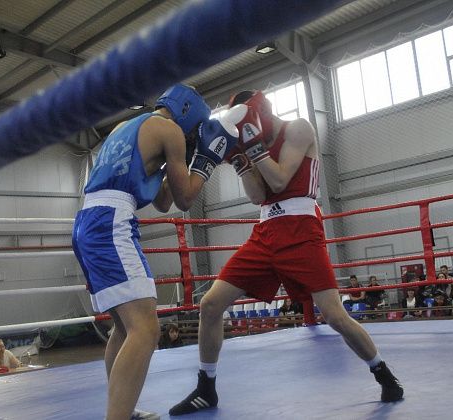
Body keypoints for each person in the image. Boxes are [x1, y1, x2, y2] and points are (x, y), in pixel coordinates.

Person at [169, 90, 403, 416]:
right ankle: (206, 387)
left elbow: (280, 181)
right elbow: (258, 195)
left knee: (334, 314)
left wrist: (253, 148)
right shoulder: (252, 142)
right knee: (210, 304)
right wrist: (239, 160)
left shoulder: (299, 128)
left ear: (262, 111)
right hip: (265, 233)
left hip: (302, 231)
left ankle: (382, 372)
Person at [71, 84, 238, 420]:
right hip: (111, 222)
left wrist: (180, 162)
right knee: (146, 330)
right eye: (194, 130)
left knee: (124, 327)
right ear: (189, 114)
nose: (192, 136)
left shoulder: (128, 127)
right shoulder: (170, 131)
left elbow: (163, 202)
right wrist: (205, 160)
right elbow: (185, 200)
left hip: (88, 221)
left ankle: (124, 409)